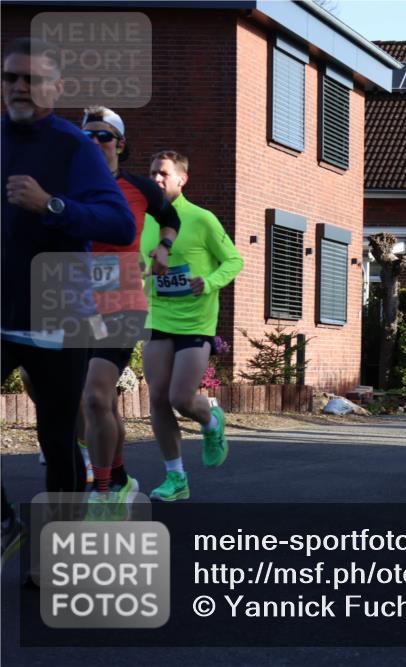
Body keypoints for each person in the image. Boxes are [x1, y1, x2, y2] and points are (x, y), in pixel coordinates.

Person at [1, 37, 134, 505]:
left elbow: (119, 224)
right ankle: (3, 522)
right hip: (4, 308)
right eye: (11, 77)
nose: (19, 87)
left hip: (57, 312)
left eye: (31, 79)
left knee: (57, 439)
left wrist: (51, 205)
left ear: (56, 88)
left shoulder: (74, 147)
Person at [78, 106, 182, 517]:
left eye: (103, 136)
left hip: (122, 304)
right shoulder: (68, 187)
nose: (95, 143)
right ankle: (119, 478)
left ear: (120, 143)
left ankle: (103, 492)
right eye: (86, 136)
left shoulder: (139, 188)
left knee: (95, 396)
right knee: (90, 405)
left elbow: (169, 216)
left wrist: (164, 245)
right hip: (72, 302)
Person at [143, 150, 243, 501]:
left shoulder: (202, 220)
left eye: (163, 174)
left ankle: (212, 420)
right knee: (156, 398)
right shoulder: (143, 220)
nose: (156, 178)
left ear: (181, 179)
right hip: (157, 316)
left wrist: (210, 281)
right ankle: (176, 477)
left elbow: (234, 260)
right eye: (152, 172)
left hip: (196, 322)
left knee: (180, 398)